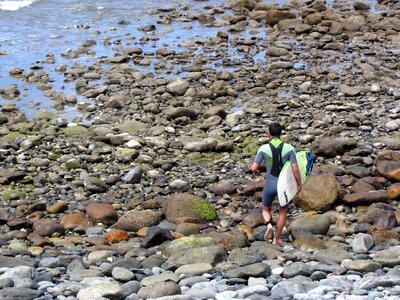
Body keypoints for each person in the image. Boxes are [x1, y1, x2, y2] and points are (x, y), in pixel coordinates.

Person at [251, 122, 302, 246]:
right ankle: (277, 239)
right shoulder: (290, 148)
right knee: (283, 211)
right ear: (281, 134)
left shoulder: (263, 148)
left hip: (270, 183)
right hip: (283, 185)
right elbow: (295, 169)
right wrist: (299, 184)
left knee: (265, 208)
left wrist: (256, 172)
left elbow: (253, 167)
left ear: (268, 134)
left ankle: (268, 225)